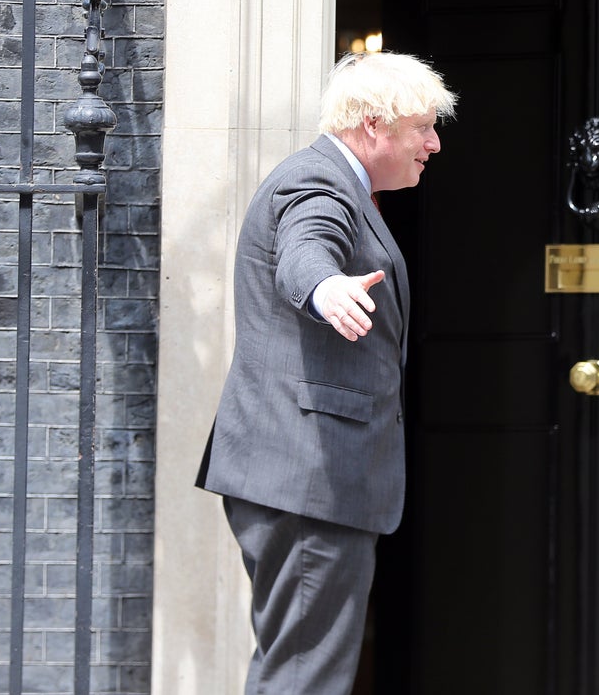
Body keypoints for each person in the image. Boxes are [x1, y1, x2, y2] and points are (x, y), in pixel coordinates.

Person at [196, 51, 457, 694]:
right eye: (422, 126)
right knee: (305, 677)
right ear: (373, 125)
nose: (434, 142)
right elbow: (306, 250)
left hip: (304, 476)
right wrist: (326, 290)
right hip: (309, 477)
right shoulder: (314, 186)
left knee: (295, 668)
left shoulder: (337, 184)